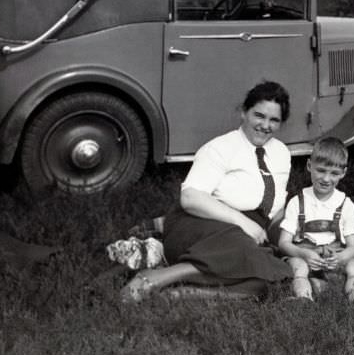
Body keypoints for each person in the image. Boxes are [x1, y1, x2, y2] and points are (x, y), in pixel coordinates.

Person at [123, 81, 293, 302]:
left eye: (274, 120)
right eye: (259, 116)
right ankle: (156, 278)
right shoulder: (220, 148)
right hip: (200, 225)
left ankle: (184, 294)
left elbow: (275, 207)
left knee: (274, 277)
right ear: (244, 112)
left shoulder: (282, 154)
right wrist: (244, 222)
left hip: (245, 234)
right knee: (246, 253)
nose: (265, 125)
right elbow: (190, 198)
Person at [277, 137, 354, 307]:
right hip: (306, 254)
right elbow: (283, 242)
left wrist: (341, 257)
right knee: (298, 267)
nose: (326, 178)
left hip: (335, 256)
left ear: (343, 173)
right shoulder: (297, 201)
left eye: (334, 173)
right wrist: (303, 254)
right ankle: (304, 301)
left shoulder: (345, 204)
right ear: (309, 166)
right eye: (321, 170)